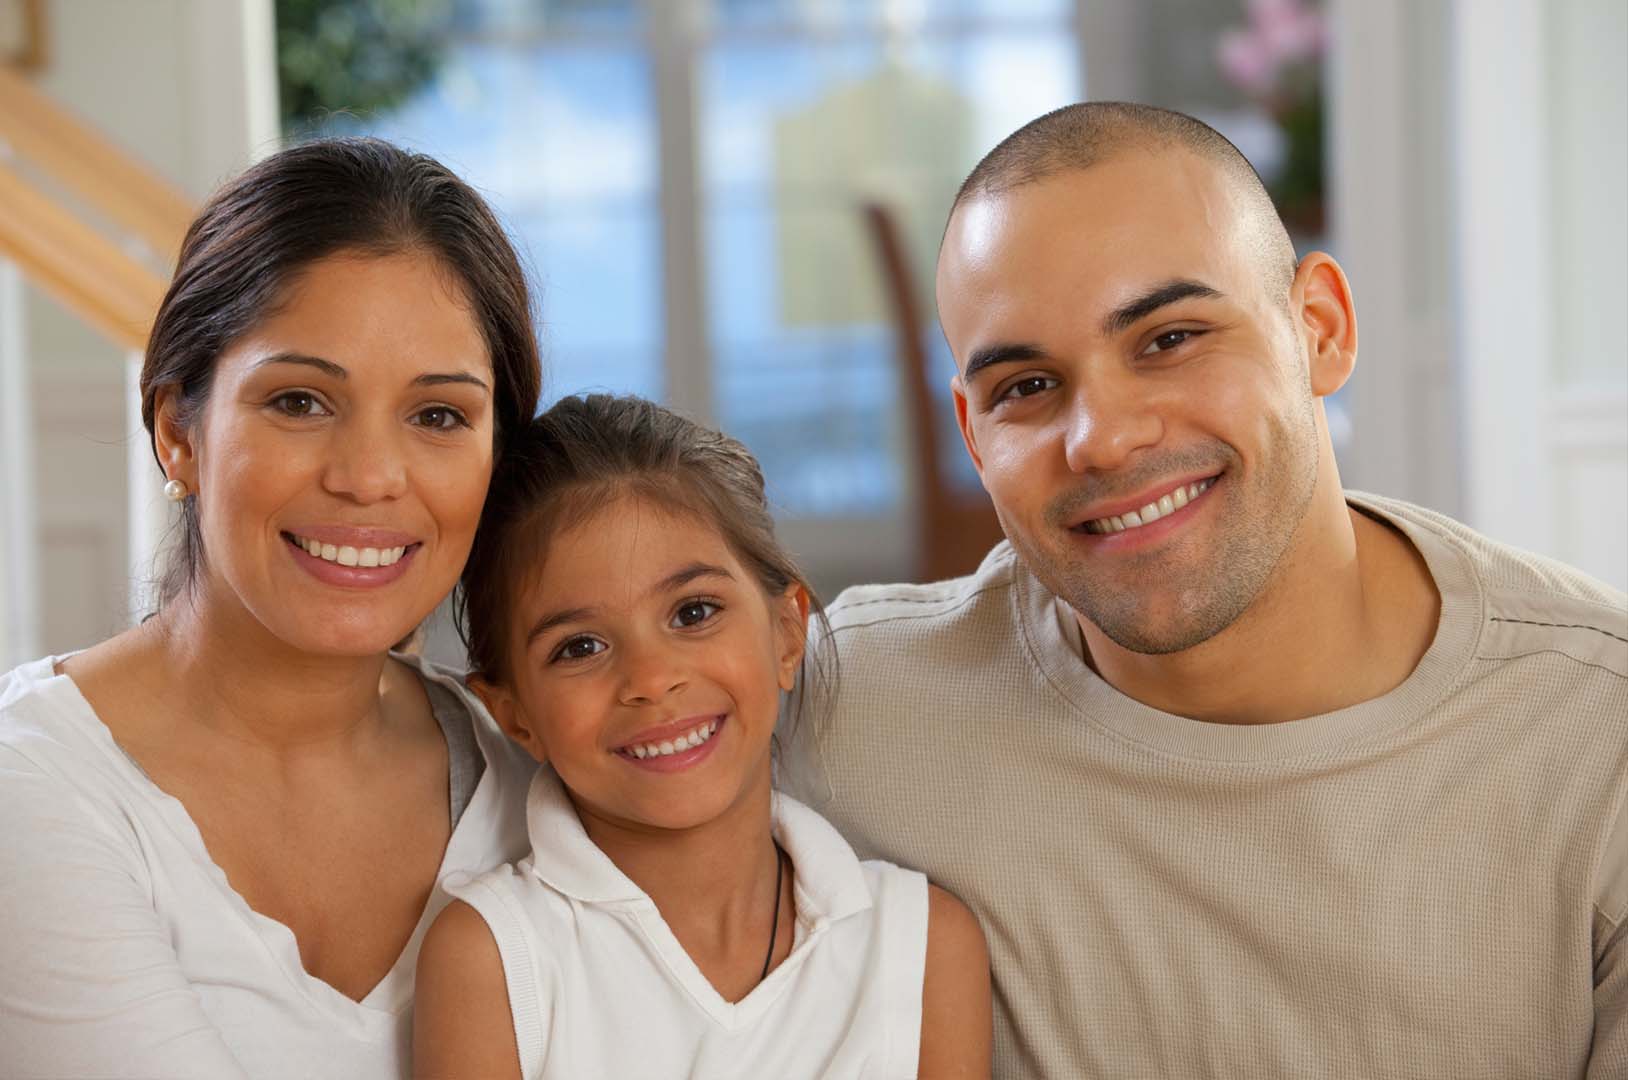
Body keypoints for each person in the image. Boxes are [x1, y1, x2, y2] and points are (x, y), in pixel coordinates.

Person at [777, 102, 1628, 1078]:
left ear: (1320, 331)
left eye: (1168, 338)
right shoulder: (840, 710)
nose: (1100, 437)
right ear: (975, 441)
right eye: (1025, 386)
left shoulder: (1592, 739)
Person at [0, 138, 543, 1078]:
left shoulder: (537, 781)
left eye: (439, 416)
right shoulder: (33, 794)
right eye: (299, 401)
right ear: (180, 430)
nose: (370, 478)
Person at [412, 394, 992, 1079]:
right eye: (580, 647)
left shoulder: (918, 945)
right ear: (514, 716)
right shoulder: (494, 958)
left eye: (693, 612)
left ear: (786, 632)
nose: (652, 680)